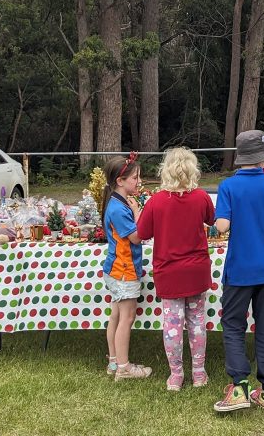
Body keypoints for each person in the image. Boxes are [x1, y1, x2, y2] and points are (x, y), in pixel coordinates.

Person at [212, 130, 264, 413]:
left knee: (234, 325)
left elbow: (221, 226)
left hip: (240, 269)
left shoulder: (228, 187)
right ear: (263, 158)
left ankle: (239, 389)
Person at [136, 148, 215, 391]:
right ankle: (199, 374)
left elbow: (142, 234)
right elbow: (212, 221)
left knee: (172, 324)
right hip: (196, 270)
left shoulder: (156, 201)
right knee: (197, 322)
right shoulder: (201, 197)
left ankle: (176, 376)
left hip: (168, 271)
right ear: (193, 170)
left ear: (165, 170)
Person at [100, 153, 152, 381]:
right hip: (124, 271)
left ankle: (114, 362)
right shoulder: (118, 209)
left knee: (116, 316)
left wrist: (135, 211)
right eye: (135, 178)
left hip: (116, 269)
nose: (138, 182)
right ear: (120, 182)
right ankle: (124, 368)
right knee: (127, 318)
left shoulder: (117, 203)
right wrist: (141, 215)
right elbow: (136, 238)